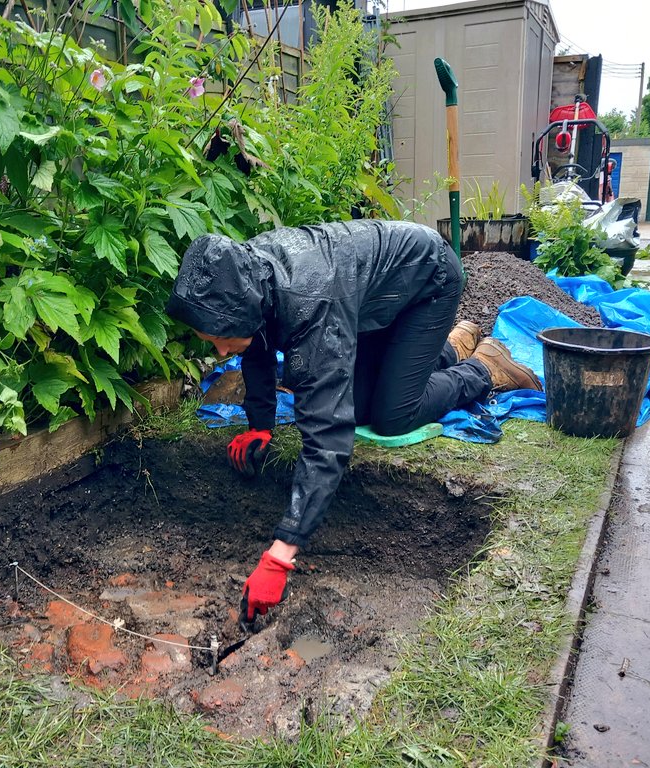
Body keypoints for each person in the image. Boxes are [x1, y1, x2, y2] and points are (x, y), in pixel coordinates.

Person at [165, 220, 541, 621]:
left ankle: (483, 367)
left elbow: (328, 439)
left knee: (393, 414)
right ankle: (451, 345)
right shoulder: (245, 276)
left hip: (426, 281)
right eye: (212, 340)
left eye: (223, 337)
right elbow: (254, 342)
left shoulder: (308, 301)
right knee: (359, 401)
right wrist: (260, 424)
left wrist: (281, 554)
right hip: (369, 296)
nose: (222, 349)